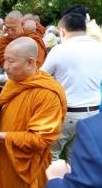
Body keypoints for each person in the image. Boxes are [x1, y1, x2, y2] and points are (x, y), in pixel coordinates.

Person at [0, 37, 67, 188]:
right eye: (5, 60)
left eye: (10, 61)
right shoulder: (14, 81)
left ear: (30, 62)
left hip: (21, 163)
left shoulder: (48, 94)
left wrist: (0, 136)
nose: (5, 67)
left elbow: (41, 139)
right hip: (1, 154)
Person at [40, 13, 102, 164]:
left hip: (67, 112)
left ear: (62, 31)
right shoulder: (99, 48)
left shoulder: (60, 50)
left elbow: (41, 77)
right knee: (77, 159)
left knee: (51, 155)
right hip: (93, 113)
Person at [45, 113, 102, 188]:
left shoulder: (93, 131)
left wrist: (55, 179)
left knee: (53, 153)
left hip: (73, 116)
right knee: (73, 157)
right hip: (92, 112)